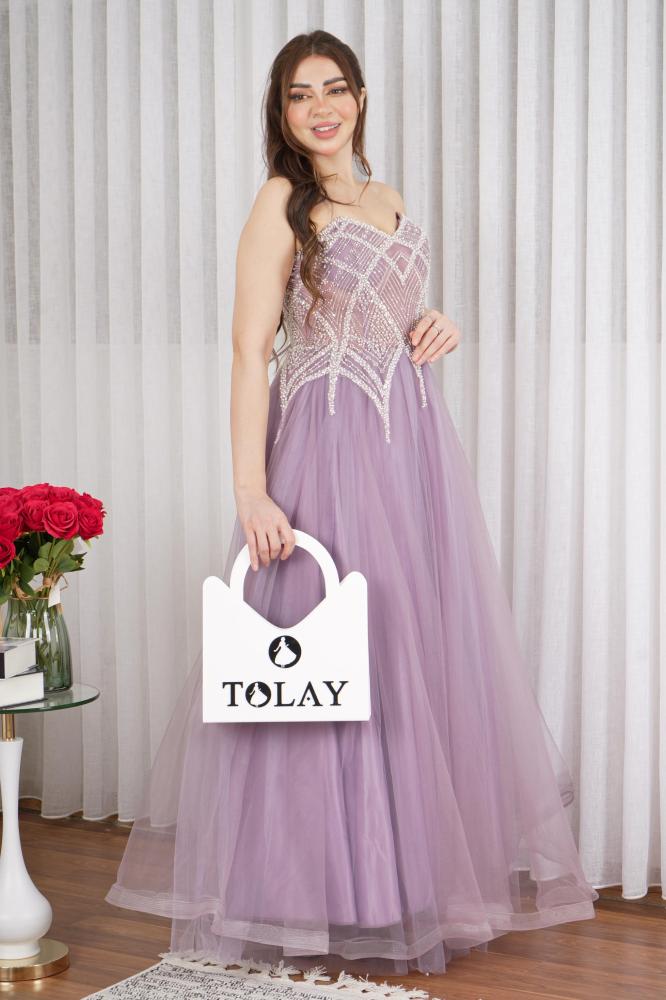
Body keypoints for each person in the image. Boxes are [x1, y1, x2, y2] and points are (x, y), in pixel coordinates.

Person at [105, 29, 599, 980]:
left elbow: (392, 316)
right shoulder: (281, 202)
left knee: (405, 653)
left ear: (361, 99)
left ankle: (394, 886)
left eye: (334, 89)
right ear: (283, 111)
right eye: (300, 95)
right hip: (327, 450)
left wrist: (438, 324)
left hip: (410, 448)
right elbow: (250, 350)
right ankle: (308, 891)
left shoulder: (391, 197)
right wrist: (251, 489)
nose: (320, 107)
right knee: (326, 664)